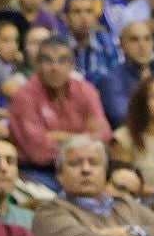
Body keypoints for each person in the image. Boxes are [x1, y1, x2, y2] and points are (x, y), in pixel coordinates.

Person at [7, 40, 110, 176]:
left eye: (62, 61)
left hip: (84, 165)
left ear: (72, 65)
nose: (55, 67)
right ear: (37, 65)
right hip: (38, 170)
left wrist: (61, 137)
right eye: (47, 61)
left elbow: (104, 136)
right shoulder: (24, 96)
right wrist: (83, 138)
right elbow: (37, 151)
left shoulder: (85, 90)